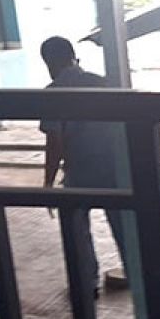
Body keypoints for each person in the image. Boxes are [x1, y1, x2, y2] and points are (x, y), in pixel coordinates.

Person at [39, 35, 127, 298]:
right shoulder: (102, 82)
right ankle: (137, 273)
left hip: (79, 170)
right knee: (123, 226)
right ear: (73, 57)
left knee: (76, 227)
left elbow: (55, 142)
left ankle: (86, 283)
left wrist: (48, 182)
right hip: (113, 167)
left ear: (49, 62)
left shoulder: (53, 92)